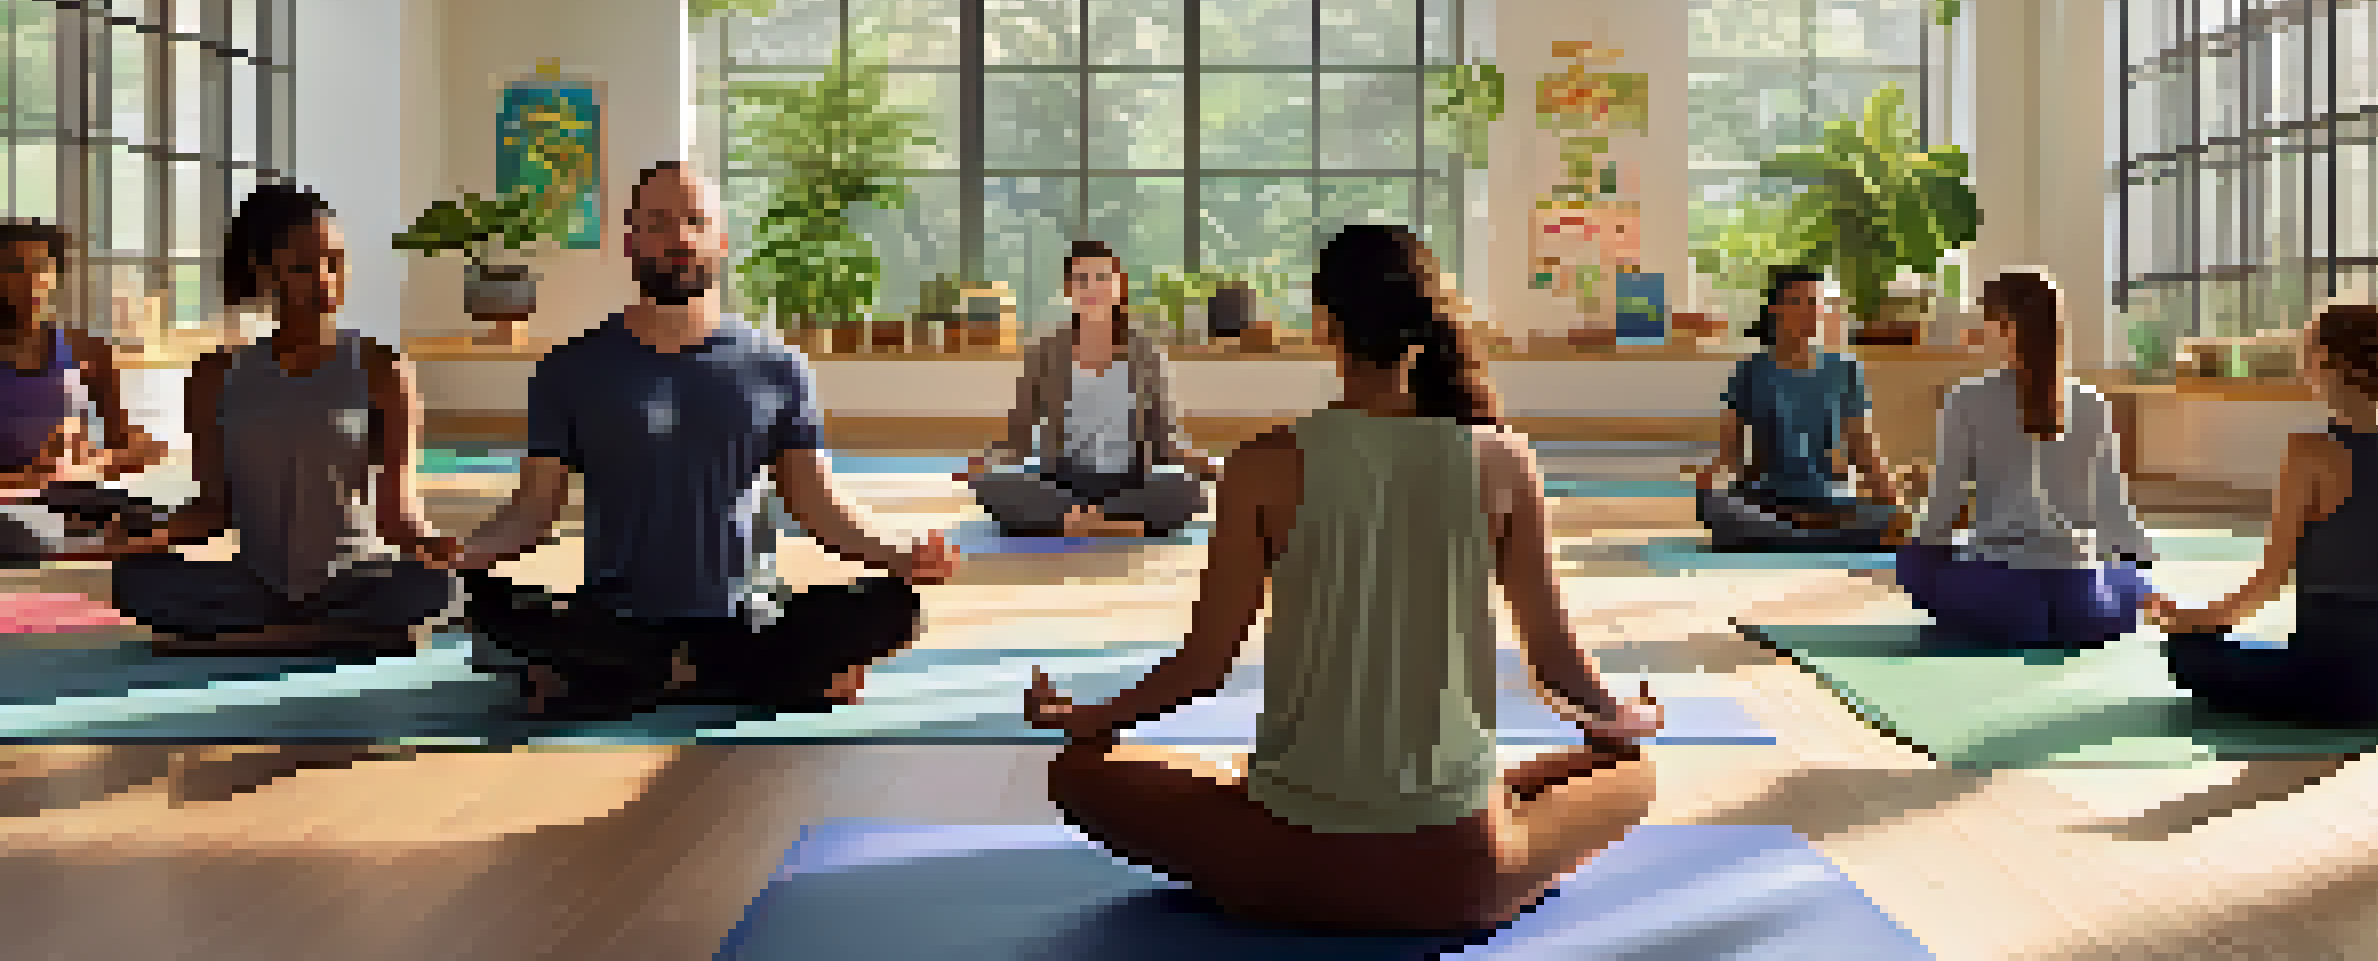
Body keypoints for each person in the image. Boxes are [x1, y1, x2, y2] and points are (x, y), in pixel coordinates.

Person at [1020, 224, 1662, 934]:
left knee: (1076, 774)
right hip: (1462, 877)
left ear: (1324, 322)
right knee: (1632, 774)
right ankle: (1469, 798)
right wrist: (1622, 719)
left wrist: (1087, 719)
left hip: (1284, 865)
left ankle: (1356, 797)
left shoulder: (1263, 464)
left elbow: (1203, 669)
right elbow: (1557, 665)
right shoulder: (1503, 461)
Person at [436, 160, 960, 721]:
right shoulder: (567, 370)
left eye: (695, 221)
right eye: (659, 222)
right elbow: (532, 510)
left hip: (742, 620)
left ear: (721, 239)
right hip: (617, 619)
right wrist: (461, 554)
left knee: (895, 608)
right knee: (491, 606)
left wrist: (901, 553)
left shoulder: (779, 367)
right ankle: (735, 678)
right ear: (630, 240)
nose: (680, 238)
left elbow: (819, 507)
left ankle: (638, 678)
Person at [106, 186, 462, 655]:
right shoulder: (215, 375)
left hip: (357, 583)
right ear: (263, 270)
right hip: (254, 585)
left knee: (437, 586)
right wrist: (148, 534)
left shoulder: (381, 367)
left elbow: (397, 515)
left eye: (335, 262)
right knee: (138, 581)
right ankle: (322, 636)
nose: (324, 281)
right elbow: (213, 509)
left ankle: (257, 637)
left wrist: (444, 548)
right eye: (302, 267)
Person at [2148, 303, 2378, 726]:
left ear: (2324, 361)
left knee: (2185, 651)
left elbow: (2268, 585)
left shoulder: (2311, 452)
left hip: (2333, 684)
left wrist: (2191, 620)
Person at [1893, 269, 2155, 649]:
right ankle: (2067, 615)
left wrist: (1920, 553)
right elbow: (2113, 505)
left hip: (1999, 596)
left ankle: (2021, 617)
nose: (1979, 331)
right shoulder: (2091, 401)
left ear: (2009, 327)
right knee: (2131, 580)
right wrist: (2139, 557)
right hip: (2083, 603)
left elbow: (1944, 507)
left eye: (1986, 320)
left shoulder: (1966, 398)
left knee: (1913, 563)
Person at [961, 241, 1214, 538]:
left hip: (1130, 480)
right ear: (1069, 291)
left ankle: (1074, 524)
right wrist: (988, 463)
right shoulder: (1046, 351)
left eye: (1102, 278)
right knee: (993, 487)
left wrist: (1204, 464)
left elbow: (1166, 436)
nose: (1093, 288)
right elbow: (1018, 435)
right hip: (1063, 481)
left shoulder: (1147, 353)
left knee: (1188, 491)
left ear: (1119, 287)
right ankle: (1119, 525)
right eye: (1082, 280)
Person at [1696, 266, 1911, 552]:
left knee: (1890, 519)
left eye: (1815, 303)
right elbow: (1730, 454)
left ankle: (1795, 531)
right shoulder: (1750, 371)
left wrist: (1893, 505)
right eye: (1799, 303)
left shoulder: (1845, 369)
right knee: (1718, 509)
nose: (1810, 311)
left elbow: (1864, 451)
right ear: (1776, 309)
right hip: (1766, 499)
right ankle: (1818, 532)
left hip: (1828, 499)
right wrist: (1709, 480)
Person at [0, 219, 171, 567]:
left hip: (66, 495)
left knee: (151, 520)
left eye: (42, 269)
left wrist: (104, 459)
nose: (32, 282)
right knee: (26, 537)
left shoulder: (88, 349)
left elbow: (124, 444)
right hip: (8, 501)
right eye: (15, 270)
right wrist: (28, 477)